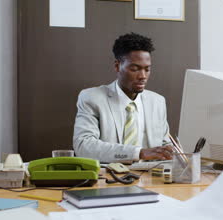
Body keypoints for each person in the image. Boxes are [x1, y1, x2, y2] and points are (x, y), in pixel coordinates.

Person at [73, 33, 173, 163]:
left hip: (151, 179)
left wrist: (172, 152)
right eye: (135, 69)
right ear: (117, 66)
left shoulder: (157, 101)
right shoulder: (92, 98)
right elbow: (83, 146)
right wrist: (139, 153)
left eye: (147, 69)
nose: (143, 76)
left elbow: (164, 145)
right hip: (109, 179)